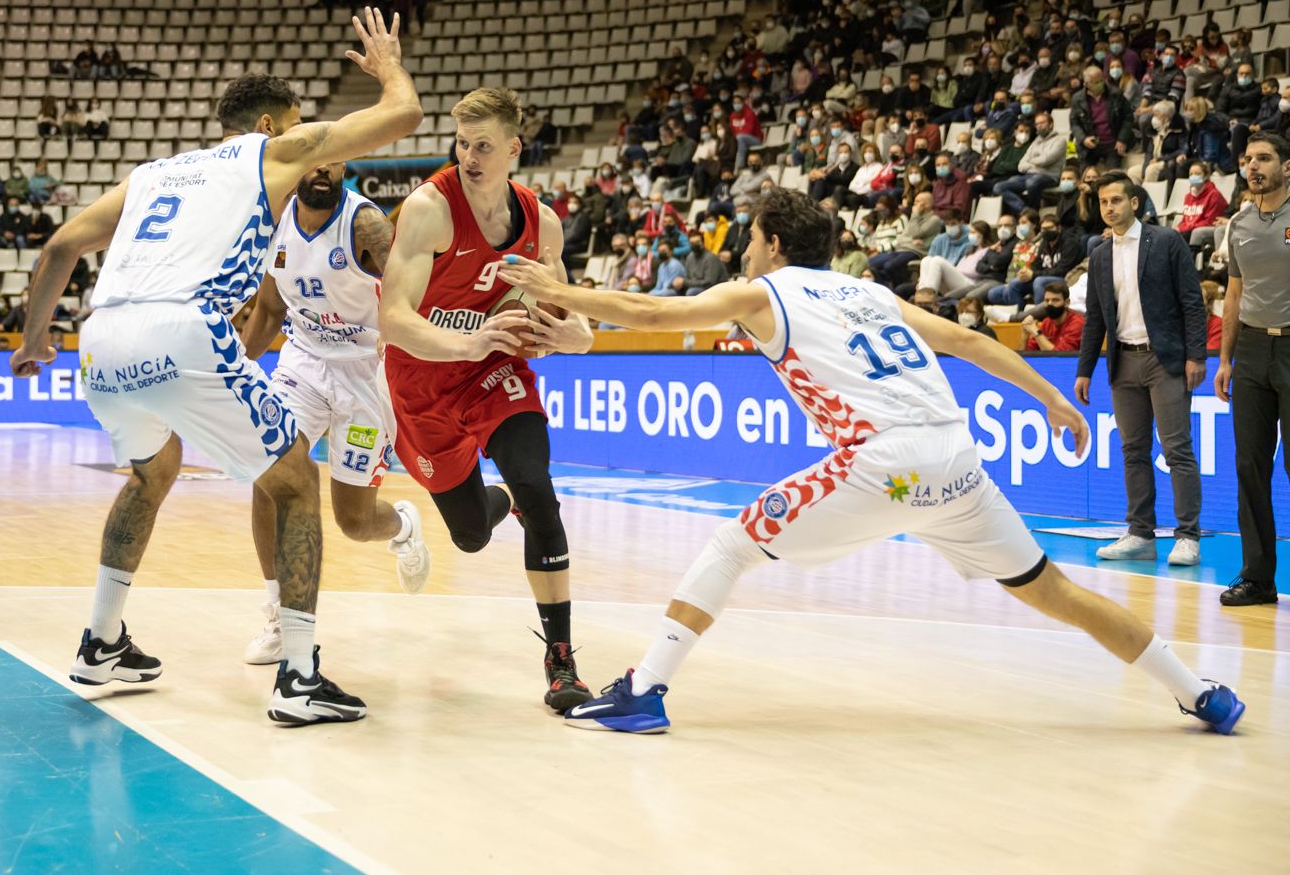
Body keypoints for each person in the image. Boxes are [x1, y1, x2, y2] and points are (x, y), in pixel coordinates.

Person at [495, 188, 1244, 737]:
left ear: (775, 244)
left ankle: (646, 690)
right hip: (956, 456)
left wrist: (556, 289)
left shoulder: (763, 291)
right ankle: (1200, 691)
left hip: (885, 460)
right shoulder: (865, 290)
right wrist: (1055, 399)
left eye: (751, 238)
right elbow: (973, 344)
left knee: (731, 543)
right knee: (1055, 590)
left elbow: (655, 313)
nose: (744, 250)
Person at [8, 9, 422, 724]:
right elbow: (403, 115)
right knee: (295, 483)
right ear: (271, 126)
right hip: (183, 326)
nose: (298, 137)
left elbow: (60, 247)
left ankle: (100, 642)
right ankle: (299, 676)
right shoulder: (271, 155)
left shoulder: (154, 174)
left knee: (151, 472)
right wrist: (387, 67)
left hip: (103, 338)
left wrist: (35, 340)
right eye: (292, 123)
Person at [380, 87, 599, 714]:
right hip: (423, 379)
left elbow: (569, 311)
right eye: (461, 145)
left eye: (482, 146)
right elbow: (393, 320)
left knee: (538, 484)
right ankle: (498, 503)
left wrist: (574, 335)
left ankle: (561, 661)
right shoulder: (429, 209)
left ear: (512, 149)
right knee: (471, 535)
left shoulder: (543, 223)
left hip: (495, 370)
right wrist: (466, 340)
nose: (469, 157)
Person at [235, 162, 430, 663]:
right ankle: (279, 613)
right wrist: (231, 368)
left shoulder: (365, 225)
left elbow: (414, 298)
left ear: (347, 165)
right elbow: (272, 308)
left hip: (367, 371)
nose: (324, 166)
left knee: (354, 521)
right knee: (269, 475)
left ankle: (404, 526)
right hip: (303, 360)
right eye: (315, 156)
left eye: (336, 157)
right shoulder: (277, 221)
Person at [1075, 173, 1208, 567]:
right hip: (1123, 361)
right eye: (1103, 202)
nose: (1109, 207)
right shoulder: (1100, 255)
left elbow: (1192, 302)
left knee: (1176, 450)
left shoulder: (1166, 241)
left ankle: (1188, 536)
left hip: (1163, 359)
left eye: (1116, 199)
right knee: (1133, 451)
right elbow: (1094, 318)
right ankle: (1140, 533)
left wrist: (1196, 355)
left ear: (1135, 203)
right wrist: (1085, 370)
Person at [1214, 132, 1290, 606]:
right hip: (1253, 354)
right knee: (1249, 466)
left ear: (1286, 167)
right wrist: (1225, 359)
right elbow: (1234, 295)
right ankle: (1258, 578)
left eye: (1264, 158)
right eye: (1248, 160)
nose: (1254, 166)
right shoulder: (1239, 223)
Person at [1021, 281, 1083, 351]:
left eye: (1055, 300)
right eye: (1047, 300)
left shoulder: (1077, 322)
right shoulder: (1047, 322)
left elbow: (1060, 357)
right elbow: (1025, 356)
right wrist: (1024, 338)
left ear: (1067, 302)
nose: (1050, 304)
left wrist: (1036, 332)